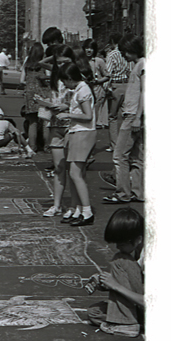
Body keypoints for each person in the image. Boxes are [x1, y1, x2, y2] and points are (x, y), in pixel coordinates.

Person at [87, 207, 144, 337]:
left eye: (122, 243)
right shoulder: (137, 249)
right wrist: (104, 283)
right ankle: (132, 321)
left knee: (120, 260)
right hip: (140, 306)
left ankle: (127, 324)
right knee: (94, 312)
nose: (118, 247)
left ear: (138, 239)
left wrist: (115, 285)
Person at [103, 36, 144, 204]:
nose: (124, 56)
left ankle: (122, 193)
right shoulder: (139, 65)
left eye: (125, 52)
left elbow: (145, 92)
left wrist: (137, 118)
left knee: (119, 155)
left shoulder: (142, 65)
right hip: (135, 114)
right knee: (136, 157)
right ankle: (138, 192)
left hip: (133, 115)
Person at [56, 61, 96, 226]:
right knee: (75, 174)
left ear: (70, 78)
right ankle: (78, 207)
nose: (64, 84)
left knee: (75, 174)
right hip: (77, 132)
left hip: (83, 132)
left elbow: (88, 115)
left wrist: (68, 115)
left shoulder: (83, 91)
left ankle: (87, 211)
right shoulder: (79, 90)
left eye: (65, 80)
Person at [105, 32, 131, 152]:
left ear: (112, 42)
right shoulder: (127, 53)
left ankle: (115, 145)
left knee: (112, 117)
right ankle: (126, 144)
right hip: (127, 84)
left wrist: (106, 87)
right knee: (126, 115)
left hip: (115, 85)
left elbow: (108, 73)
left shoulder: (111, 54)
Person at [22, 42, 50, 152]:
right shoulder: (44, 62)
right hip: (43, 93)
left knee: (32, 122)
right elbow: (48, 75)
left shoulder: (27, 61)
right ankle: (47, 146)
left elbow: (21, 80)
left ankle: (33, 146)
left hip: (30, 94)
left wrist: (30, 84)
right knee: (45, 120)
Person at [83, 38, 109, 129]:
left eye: (91, 48)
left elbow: (107, 76)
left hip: (97, 90)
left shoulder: (99, 61)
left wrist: (98, 81)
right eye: (87, 48)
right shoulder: (81, 61)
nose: (89, 50)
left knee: (94, 115)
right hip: (84, 89)